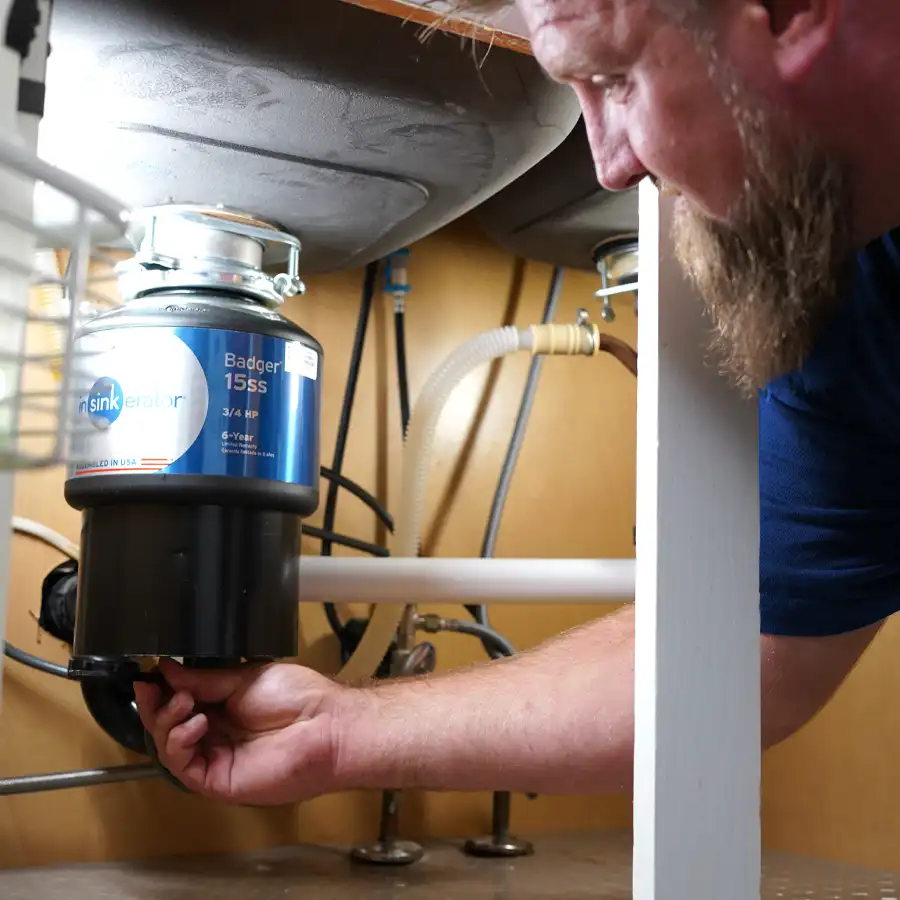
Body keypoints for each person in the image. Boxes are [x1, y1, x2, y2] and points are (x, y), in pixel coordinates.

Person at [135, 0, 900, 806]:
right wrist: (335, 734)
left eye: (616, 77)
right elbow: (744, 656)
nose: (610, 164)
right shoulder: (849, 316)